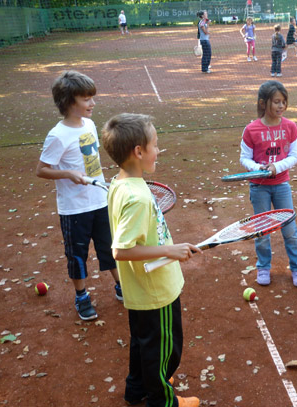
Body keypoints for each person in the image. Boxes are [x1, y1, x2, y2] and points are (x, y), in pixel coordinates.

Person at [101, 113, 202, 407]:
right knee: (165, 350)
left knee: (143, 343)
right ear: (139, 152)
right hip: (156, 291)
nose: (159, 150)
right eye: (155, 145)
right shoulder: (138, 197)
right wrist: (170, 251)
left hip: (140, 289)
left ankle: (137, 389)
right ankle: (164, 401)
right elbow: (120, 250)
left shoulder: (121, 183)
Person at [36, 70, 121, 321]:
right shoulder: (57, 135)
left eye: (92, 97)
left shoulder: (90, 125)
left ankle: (120, 286)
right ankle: (82, 295)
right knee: (77, 255)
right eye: (86, 99)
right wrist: (68, 174)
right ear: (68, 102)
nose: (92, 103)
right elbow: (41, 170)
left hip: (99, 201)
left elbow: (91, 160)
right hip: (74, 208)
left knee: (110, 247)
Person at [239, 81, 297, 288]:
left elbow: (294, 156)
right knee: (262, 229)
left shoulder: (290, 127)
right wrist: (257, 167)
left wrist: (276, 167)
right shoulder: (251, 129)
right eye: (276, 102)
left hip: (281, 185)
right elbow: (245, 158)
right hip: (259, 187)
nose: (281, 106)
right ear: (263, 103)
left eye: (283, 102)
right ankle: (263, 267)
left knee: (290, 230)